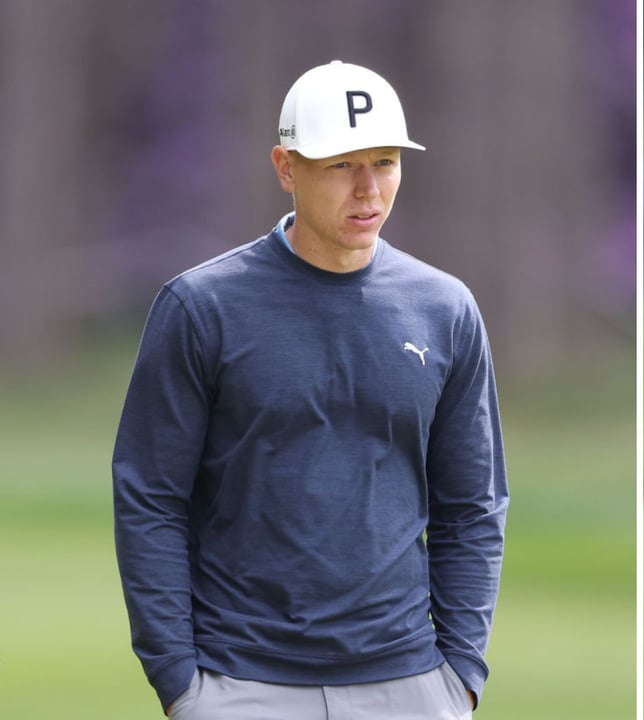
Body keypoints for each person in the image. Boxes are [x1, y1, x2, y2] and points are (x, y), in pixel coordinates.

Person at [112, 60, 509, 720]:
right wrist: (179, 681)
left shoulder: (445, 308)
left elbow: (472, 503)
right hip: (238, 682)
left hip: (410, 684)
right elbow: (149, 496)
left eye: (384, 162)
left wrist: (461, 675)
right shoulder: (199, 307)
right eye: (340, 166)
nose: (368, 189)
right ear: (286, 167)